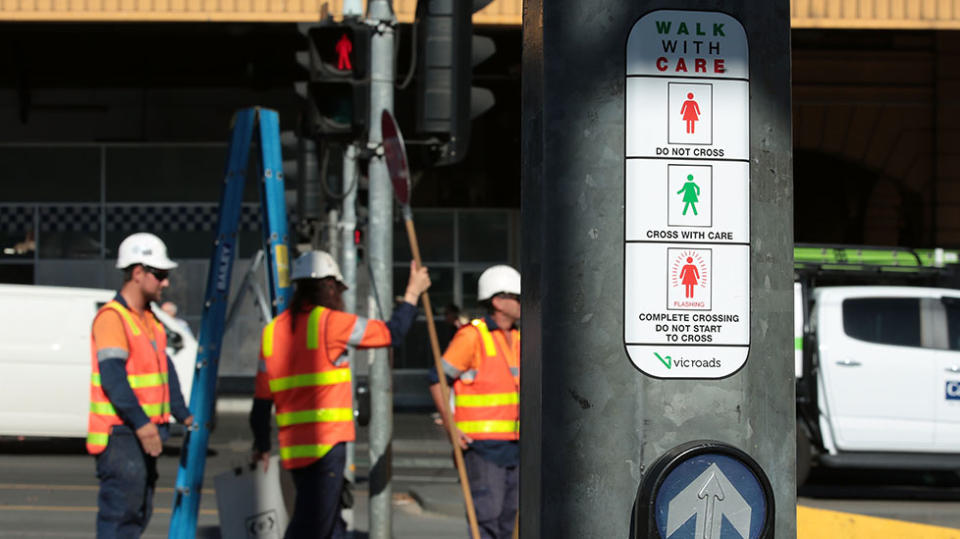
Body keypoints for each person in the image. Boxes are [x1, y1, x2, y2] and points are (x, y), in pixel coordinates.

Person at [249, 250, 431, 539]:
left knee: (332, 524)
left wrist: (260, 443)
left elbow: (261, 402)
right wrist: (412, 293)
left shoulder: (272, 332)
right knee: (313, 528)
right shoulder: (331, 323)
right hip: (326, 447)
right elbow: (391, 334)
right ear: (329, 287)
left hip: (293, 450)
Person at [88, 232, 193, 538]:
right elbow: (113, 379)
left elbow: (164, 369)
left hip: (139, 432)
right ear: (137, 273)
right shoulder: (113, 318)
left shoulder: (149, 319)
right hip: (123, 435)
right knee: (121, 518)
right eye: (159, 275)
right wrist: (142, 425)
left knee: (137, 514)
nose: (165, 283)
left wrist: (182, 412)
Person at [429, 265, 521, 539]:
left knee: (510, 520)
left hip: (516, 444)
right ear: (498, 301)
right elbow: (438, 379)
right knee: (487, 518)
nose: (521, 303)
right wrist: (451, 427)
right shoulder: (471, 335)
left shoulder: (519, 336)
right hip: (482, 447)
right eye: (516, 297)